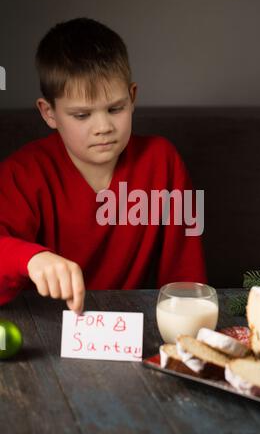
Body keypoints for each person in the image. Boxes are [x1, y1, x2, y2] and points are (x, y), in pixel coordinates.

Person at [0, 17, 206, 314]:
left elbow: (186, 279)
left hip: (125, 331)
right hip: (42, 331)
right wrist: (31, 259)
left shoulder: (162, 162)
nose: (103, 127)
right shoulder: (22, 173)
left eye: (115, 109)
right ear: (49, 113)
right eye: (82, 115)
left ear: (132, 98)